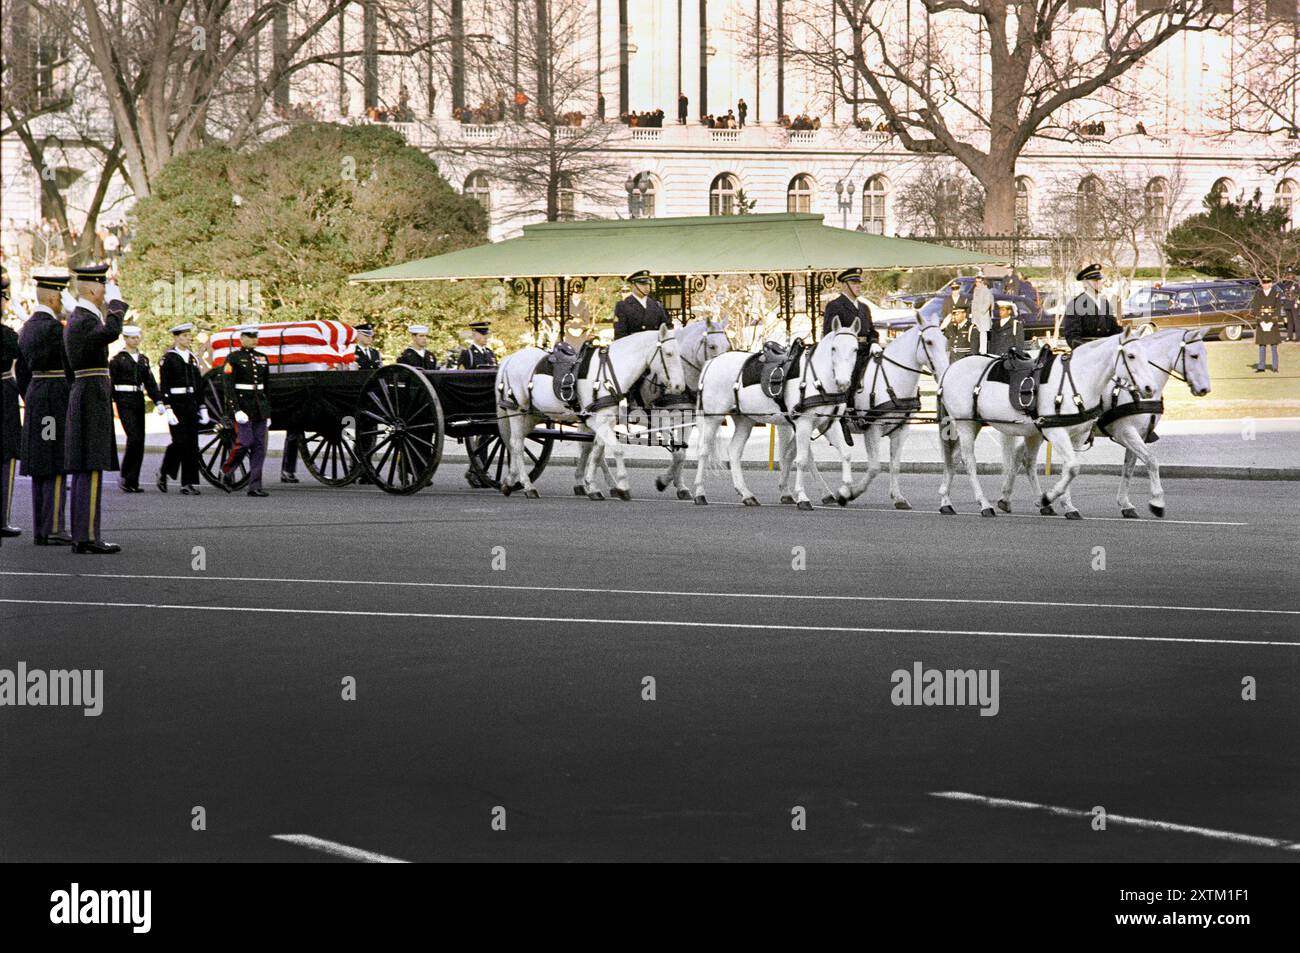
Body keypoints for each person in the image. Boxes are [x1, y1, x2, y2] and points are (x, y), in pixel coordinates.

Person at [62, 263, 125, 554]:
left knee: (88, 467)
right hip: (90, 394)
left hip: (87, 392)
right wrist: (117, 306)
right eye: (102, 287)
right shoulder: (84, 319)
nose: (104, 293)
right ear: (90, 289)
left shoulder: (81, 318)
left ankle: (83, 535)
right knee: (91, 465)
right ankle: (86, 536)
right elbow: (111, 333)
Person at [18, 270, 74, 545]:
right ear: (52, 297)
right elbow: (69, 363)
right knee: (54, 459)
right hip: (54, 398)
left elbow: (22, 373)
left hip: (37, 395)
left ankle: (42, 527)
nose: (62, 300)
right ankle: (54, 526)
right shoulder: (54, 328)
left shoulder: (27, 326)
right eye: (60, 295)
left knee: (41, 461)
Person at [109, 324, 162, 492]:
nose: (136, 340)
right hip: (124, 400)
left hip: (138, 399)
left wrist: (158, 401)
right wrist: (111, 404)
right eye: (132, 337)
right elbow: (111, 384)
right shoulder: (117, 360)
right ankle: (125, 474)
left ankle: (133, 481)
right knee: (134, 438)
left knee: (140, 440)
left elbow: (150, 383)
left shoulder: (142, 359)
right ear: (125, 339)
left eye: (137, 337)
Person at [220, 325, 272, 496]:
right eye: (250, 336)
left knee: (259, 446)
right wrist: (235, 410)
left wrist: (268, 411)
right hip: (243, 407)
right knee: (245, 441)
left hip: (259, 408)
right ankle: (227, 470)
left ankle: (255, 486)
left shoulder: (262, 358)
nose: (254, 340)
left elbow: (267, 386)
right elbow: (228, 386)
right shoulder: (233, 358)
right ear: (241, 339)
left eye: (255, 336)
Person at [157, 322, 205, 494]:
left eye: (189, 335)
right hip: (176, 404)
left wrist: (203, 406)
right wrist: (168, 407)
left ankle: (188, 483)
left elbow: (198, 384)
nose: (188, 338)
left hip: (190, 402)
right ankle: (164, 472)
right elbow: (165, 385)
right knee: (179, 442)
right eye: (184, 335)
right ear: (176, 337)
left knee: (192, 444)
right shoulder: (168, 358)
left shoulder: (192, 358)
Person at [1, 267, 25, 539]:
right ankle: (2, 519)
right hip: (4, 393)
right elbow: (23, 350)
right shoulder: (8, 334)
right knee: (6, 457)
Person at [1061, 263, 1121, 349]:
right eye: (1095, 281)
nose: (1100, 283)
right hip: (1087, 355)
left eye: (1100, 280)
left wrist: (1126, 335)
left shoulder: (1104, 303)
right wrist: (1091, 350)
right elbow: (1072, 336)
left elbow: (1114, 329)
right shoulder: (1075, 305)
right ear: (1085, 283)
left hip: (1107, 352)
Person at [821, 268, 877, 342]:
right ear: (845, 286)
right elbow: (829, 334)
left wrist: (874, 342)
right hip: (844, 351)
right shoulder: (834, 306)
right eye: (854, 283)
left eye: (859, 283)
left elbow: (871, 331)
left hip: (866, 350)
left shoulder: (864, 307)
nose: (858, 286)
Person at [613, 271, 670, 338]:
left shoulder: (656, 305)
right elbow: (620, 334)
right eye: (642, 284)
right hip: (634, 346)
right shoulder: (623, 306)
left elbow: (667, 327)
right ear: (633, 285)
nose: (647, 287)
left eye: (648, 284)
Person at [1252, 276, 1283, 373]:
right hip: (1262, 320)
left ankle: (1275, 366)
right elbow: (1255, 308)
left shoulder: (1276, 293)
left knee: (1274, 345)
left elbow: (1278, 309)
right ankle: (1261, 366)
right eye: (1263, 283)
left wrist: (1271, 323)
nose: (1265, 285)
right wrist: (1261, 322)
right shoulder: (1258, 293)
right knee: (1262, 345)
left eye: (1267, 283)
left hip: (1271, 321)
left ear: (1270, 283)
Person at [968, 275, 995, 352]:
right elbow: (974, 302)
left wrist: (982, 311)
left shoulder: (986, 291)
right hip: (976, 315)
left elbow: (988, 303)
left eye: (979, 282)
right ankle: (978, 349)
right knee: (977, 332)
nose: (977, 283)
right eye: (976, 282)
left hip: (983, 315)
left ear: (983, 282)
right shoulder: (976, 290)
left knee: (983, 333)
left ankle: (983, 350)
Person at [1283, 271, 1299, 342]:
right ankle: (1289, 336)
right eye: (1288, 274)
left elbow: (1298, 294)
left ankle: (1298, 337)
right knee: (1289, 322)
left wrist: (1297, 302)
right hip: (1287, 304)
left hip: (1294, 303)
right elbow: (1285, 293)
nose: (1289, 276)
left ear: (1293, 275)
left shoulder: (1296, 283)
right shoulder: (1286, 283)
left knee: (1296, 321)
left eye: (1291, 274)